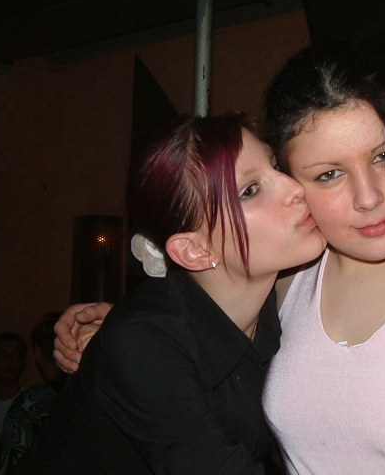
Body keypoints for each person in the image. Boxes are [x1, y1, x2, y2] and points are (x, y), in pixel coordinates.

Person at [55, 48, 385, 474]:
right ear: (298, 180)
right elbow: (200, 322)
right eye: (329, 174)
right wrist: (119, 334)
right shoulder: (289, 282)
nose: (370, 197)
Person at [20, 113, 325, 475]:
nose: (295, 187)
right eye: (250, 190)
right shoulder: (145, 344)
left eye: (275, 166)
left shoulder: (281, 305)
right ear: (195, 251)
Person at [0, 312, 66, 475]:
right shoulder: (96, 393)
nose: (10, 361)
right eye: (2, 355)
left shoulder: (31, 405)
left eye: (17, 355)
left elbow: (12, 465)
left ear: (37, 353)